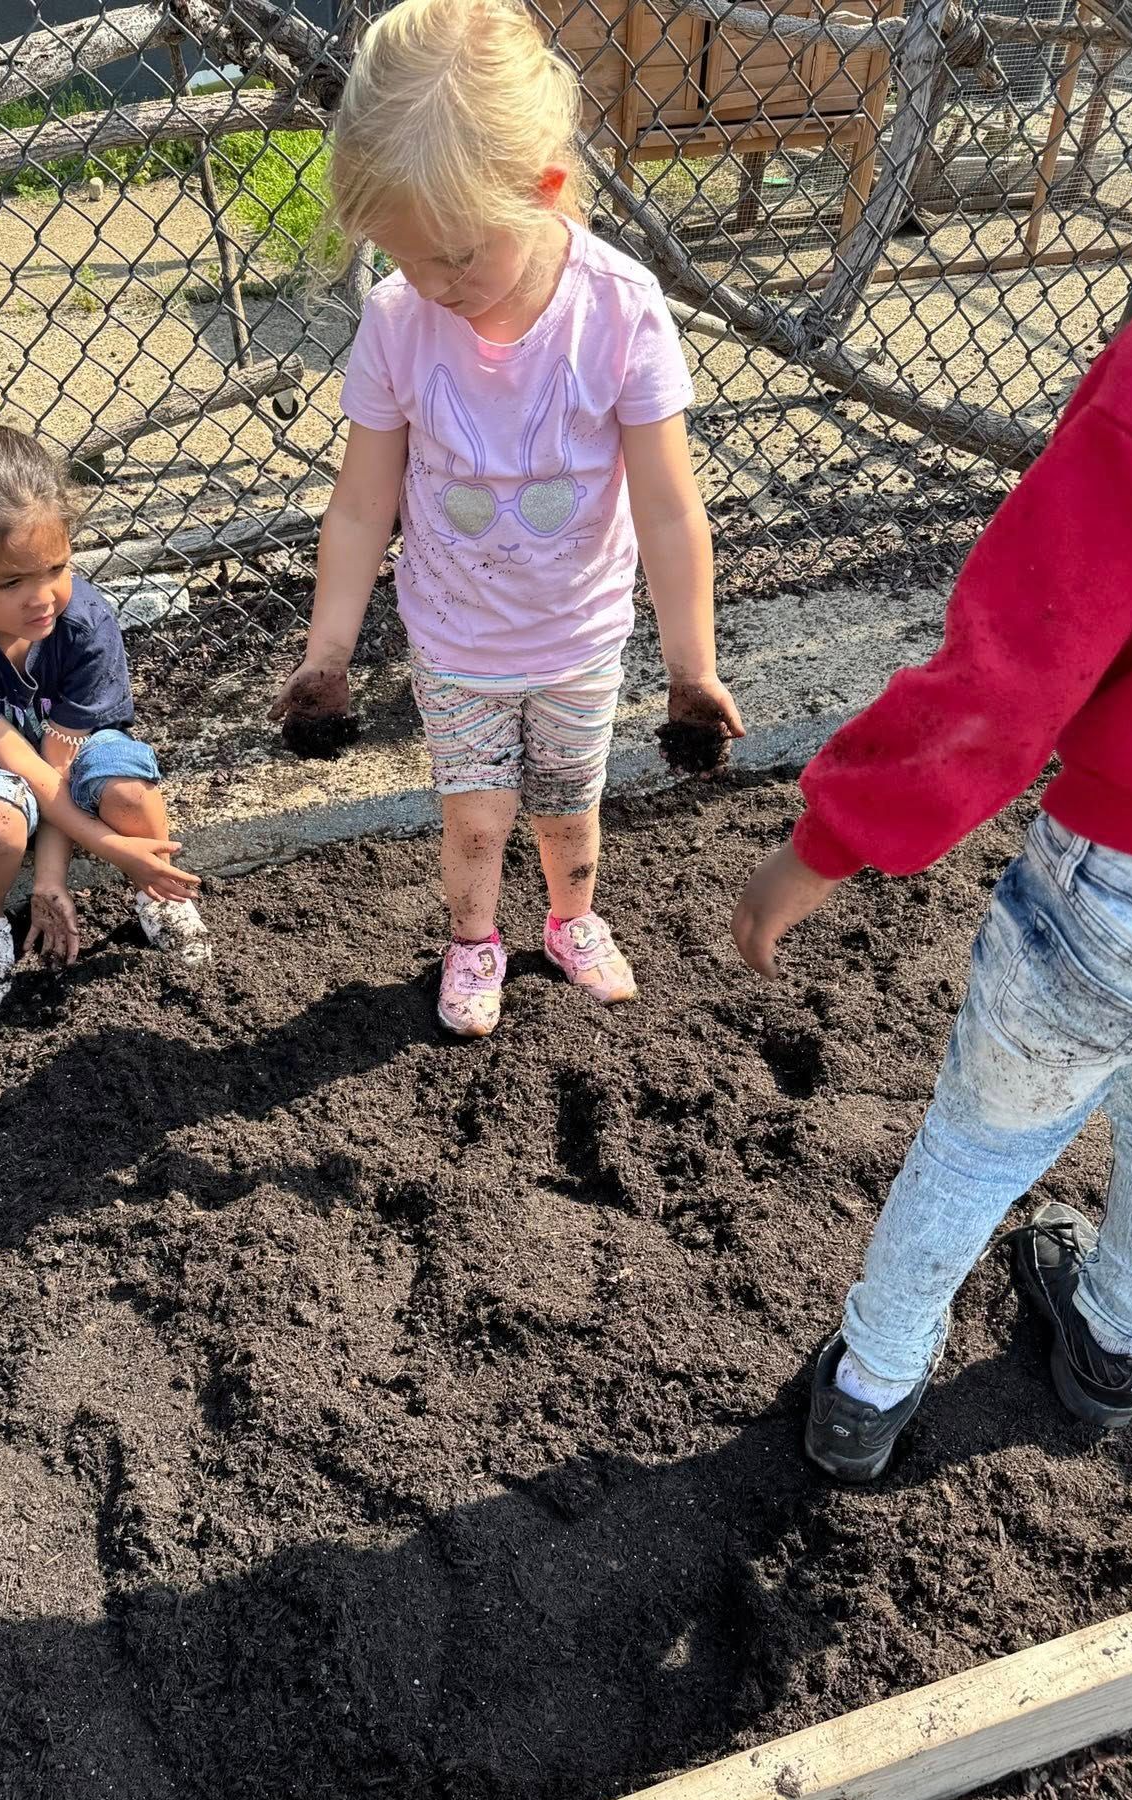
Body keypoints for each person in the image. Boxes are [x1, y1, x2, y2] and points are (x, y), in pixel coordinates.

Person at [731, 275, 1132, 1482]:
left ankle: (869, 1387)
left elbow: (1018, 668)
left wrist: (827, 841)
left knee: (987, 1140)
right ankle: (1114, 1350)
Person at [271, 0, 738, 1037]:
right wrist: (328, 651)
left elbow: (667, 507)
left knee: (571, 808)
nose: (433, 284)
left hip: (577, 637)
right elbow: (360, 506)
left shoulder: (619, 311)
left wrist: (690, 667)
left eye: (456, 257)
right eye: (407, 259)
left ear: (548, 190)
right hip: (457, 639)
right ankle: (474, 941)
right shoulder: (400, 323)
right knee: (475, 820)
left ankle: (571, 920)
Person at [0, 424, 209, 1016]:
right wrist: (110, 848)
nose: (41, 597)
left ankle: (157, 889)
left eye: (56, 568)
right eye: (11, 581)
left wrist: (52, 876)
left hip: (79, 747)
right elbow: (28, 772)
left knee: (129, 796)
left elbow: (58, 764)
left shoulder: (86, 623)